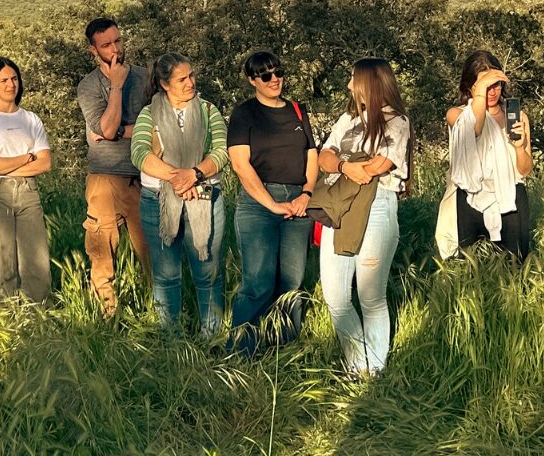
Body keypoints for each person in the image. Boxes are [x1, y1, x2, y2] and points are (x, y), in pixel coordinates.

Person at [317, 57, 410, 377]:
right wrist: (346, 166)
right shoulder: (347, 119)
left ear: (370, 83)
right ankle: (358, 365)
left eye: (353, 79)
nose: (348, 86)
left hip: (377, 206)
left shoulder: (397, 121)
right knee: (335, 296)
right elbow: (324, 156)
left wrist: (350, 167)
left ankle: (375, 370)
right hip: (339, 206)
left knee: (371, 296)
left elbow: (381, 165)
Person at [131, 53, 227, 335]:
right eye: (182, 79)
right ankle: (170, 338)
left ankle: (211, 337)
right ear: (164, 84)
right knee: (166, 275)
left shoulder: (208, 110)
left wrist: (194, 175)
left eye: (192, 75)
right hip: (158, 200)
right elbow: (139, 153)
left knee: (208, 273)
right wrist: (177, 178)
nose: (190, 83)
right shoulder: (149, 114)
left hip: (205, 196)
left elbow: (222, 151)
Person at [226, 50, 316, 350]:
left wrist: (307, 194)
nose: (274, 79)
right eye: (266, 75)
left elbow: (311, 155)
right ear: (252, 80)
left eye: (278, 72)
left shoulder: (298, 111)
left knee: (291, 282)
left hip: (298, 202)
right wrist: (271, 204)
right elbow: (240, 164)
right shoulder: (244, 114)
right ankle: (241, 350)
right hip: (258, 204)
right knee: (258, 283)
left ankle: (284, 350)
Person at [75, 18, 152, 315]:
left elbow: (154, 126)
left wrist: (118, 131)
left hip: (144, 176)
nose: (115, 49)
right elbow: (105, 128)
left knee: (152, 252)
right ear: (93, 50)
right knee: (102, 252)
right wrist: (116, 87)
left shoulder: (145, 77)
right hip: (104, 178)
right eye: (106, 45)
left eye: (118, 40)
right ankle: (106, 316)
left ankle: (158, 313)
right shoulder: (89, 86)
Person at [0, 56, 53, 303]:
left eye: (14, 78)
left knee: (37, 263)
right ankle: (6, 317)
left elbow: (45, 163)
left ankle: (38, 315)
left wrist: (6, 165)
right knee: (2, 263)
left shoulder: (31, 119)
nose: (11, 84)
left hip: (28, 192)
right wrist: (27, 157)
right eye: (4, 80)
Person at [437, 50, 534, 261]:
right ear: (470, 86)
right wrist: (481, 91)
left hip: (510, 195)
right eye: (484, 85)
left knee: (513, 265)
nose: (492, 91)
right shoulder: (458, 115)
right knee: (471, 265)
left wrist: (519, 147)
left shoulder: (517, 116)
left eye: (496, 84)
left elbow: (525, 170)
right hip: (471, 196)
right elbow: (475, 128)